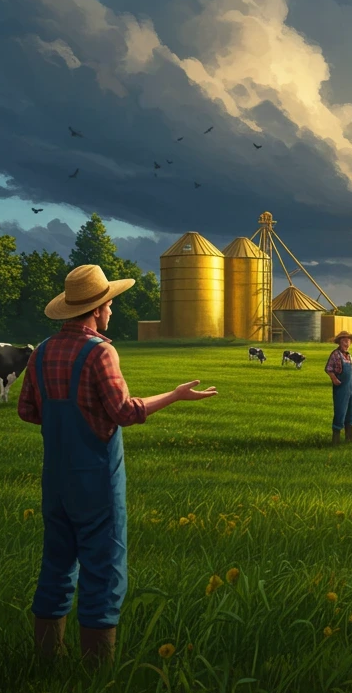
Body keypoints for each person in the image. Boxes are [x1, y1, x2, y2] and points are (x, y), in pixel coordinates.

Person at [18, 264, 217, 666]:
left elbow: (27, 411)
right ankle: (96, 670)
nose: (111, 310)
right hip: (96, 480)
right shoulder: (100, 351)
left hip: (55, 480)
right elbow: (124, 412)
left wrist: (66, 421)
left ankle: (46, 660)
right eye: (109, 304)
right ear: (96, 309)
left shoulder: (41, 351)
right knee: (104, 567)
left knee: (56, 563)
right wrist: (174, 396)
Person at [325, 330, 352, 443]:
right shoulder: (335, 354)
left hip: (351, 388)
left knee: (351, 412)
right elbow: (328, 368)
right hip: (341, 388)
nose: (346, 343)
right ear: (339, 342)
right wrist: (334, 379)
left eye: (348, 341)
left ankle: (350, 437)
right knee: (340, 410)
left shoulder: (349, 356)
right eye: (344, 341)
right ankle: (336, 439)